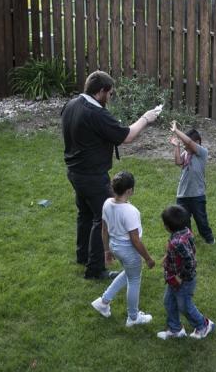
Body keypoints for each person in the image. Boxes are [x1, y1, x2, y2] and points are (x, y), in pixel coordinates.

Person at [61, 70, 161, 280]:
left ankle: (83, 256)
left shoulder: (72, 104)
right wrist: (146, 118)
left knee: (85, 214)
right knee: (102, 217)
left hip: (74, 172)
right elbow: (127, 136)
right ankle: (95, 269)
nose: (110, 97)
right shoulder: (96, 113)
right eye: (110, 93)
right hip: (92, 175)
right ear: (101, 92)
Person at [90, 171, 157, 327]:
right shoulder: (131, 211)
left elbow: (104, 230)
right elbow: (135, 240)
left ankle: (103, 302)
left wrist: (107, 251)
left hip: (115, 246)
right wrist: (148, 258)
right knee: (134, 279)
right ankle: (133, 317)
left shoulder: (107, 203)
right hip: (128, 250)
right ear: (129, 191)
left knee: (128, 273)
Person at [157, 204, 216, 340]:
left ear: (168, 226)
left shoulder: (177, 242)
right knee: (169, 302)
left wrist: (180, 277)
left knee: (184, 306)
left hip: (184, 281)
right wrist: (167, 257)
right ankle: (175, 329)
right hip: (173, 278)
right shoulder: (184, 231)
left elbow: (190, 261)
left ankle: (204, 325)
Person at [169, 121, 214, 244]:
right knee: (183, 220)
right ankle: (188, 239)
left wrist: (176, 131)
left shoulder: (202, 153)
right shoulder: (186, 153)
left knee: (201, 219)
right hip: (182, 194)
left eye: (185, 144)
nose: (184, 145)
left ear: (197, 143)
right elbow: (178, 162)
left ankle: (209, 238)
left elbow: (188, 142)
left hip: (197, 195)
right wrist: (177, 146)